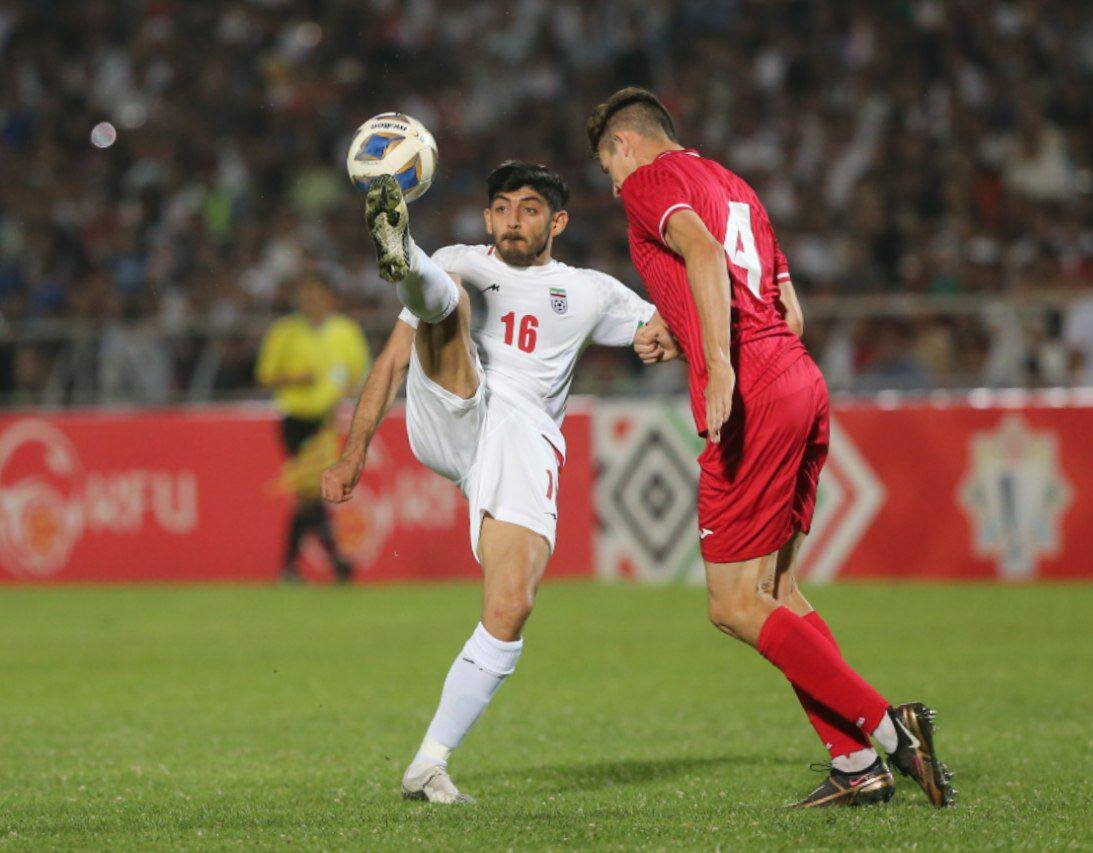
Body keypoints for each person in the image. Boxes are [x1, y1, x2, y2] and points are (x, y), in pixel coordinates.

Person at [587, 87, 955, 809]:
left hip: (752, 385)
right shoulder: (733, 185)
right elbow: (786, 300)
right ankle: (856, 764)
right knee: (777, 592)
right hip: (798, 377)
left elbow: (699, 253)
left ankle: (892, 727)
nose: (613, 184)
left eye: (607, 166)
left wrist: (717, 358)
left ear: (625, 145)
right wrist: (684, 326)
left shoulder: (650, 180)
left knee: (730, 604)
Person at [321, 162, 666, 804]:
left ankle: (427, 764)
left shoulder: (590, 290)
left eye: (530, 208)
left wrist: (661, 340)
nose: (513, 219)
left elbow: (658, 324)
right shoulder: (465, 258)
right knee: (448, 293)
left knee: (510, 608)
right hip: (452, 403)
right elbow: (393, 359)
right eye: (502, 207)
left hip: (522, 440)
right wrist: (353, 453)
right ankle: (406, 256)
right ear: (487, 218)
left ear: (556, 222)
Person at [256, 277, 369, 583]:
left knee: (310, 495)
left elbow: (360, 374)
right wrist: (294, 379)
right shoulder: (286, 331)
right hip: (295, 419)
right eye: (306, 296)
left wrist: (349, 391)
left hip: (327, 422)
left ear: (330, 299)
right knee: (311, 492)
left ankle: (294, 567)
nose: (311, 302)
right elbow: (265, 376)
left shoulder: (345, 331)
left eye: (317, 295)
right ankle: (335, 563)